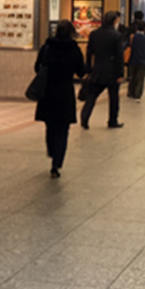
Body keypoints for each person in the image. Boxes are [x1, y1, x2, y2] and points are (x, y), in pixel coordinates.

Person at [33, 19, 86, 177]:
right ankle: (57, 162)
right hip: (65, 91)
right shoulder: (74, 49)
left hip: (48, 91)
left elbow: (37, 67)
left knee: (50, 124)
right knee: (63, 128)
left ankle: (51, 150)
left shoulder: (47, 47)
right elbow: (81, 72)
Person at [81, 11, 125, 129]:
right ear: (114, 21)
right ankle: (112, 120)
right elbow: (119, 56)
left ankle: (85, 117)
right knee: (114, 98)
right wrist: (120, 73)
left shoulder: (94, 34)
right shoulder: (116, 36)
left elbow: (89, 53)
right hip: (112, 71)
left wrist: (88, 69)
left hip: (98, 69)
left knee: (92, 95)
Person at [125, 21, 145, 100]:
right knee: (140, 78)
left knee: (132, 77)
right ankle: (137, 94)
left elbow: (127, 47)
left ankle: (130, 92)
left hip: (132, 60)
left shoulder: (131, 37)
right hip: (142, 61)